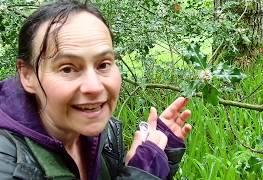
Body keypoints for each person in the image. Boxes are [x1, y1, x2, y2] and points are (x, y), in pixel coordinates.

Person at [0, 0, 192, 180]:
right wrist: (142, 172)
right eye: (67, 68)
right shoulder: (7, 162)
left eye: (103, 64)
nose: (94, 86)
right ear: (27, 75)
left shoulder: (105, 132)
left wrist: (157, 157)